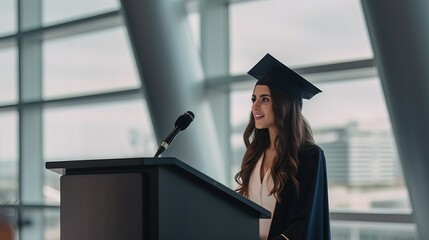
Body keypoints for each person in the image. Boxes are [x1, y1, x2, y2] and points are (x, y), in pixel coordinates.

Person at [234, 53, 331, 240]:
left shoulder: (309, 156)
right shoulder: (255, 154)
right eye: (254, 99)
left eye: (265, 99)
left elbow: (306, 221)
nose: (255, 106)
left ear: (284, 104)